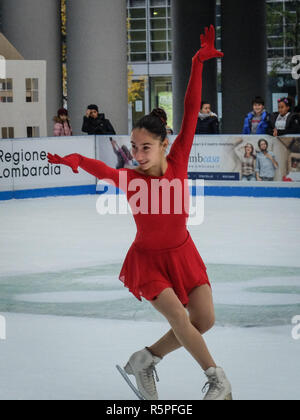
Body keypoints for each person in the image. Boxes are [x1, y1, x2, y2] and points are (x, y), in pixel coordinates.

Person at [47, 26, 232, 401]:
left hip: (184, 253)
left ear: (165, 145)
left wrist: (197, 63)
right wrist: (75, 158)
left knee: (205, 320)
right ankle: (217, 379)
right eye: (134, 147)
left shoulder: (179, 160)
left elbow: (192, 108)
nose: (138, 154)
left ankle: (146, 358)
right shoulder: (130, 179)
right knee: (180, 319)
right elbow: (100, 168)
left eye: (146, 147)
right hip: (147, 262)